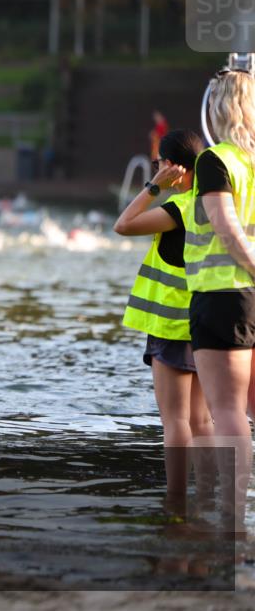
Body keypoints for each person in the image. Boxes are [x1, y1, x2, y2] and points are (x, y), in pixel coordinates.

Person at [114, 130, 214, 495]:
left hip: (172, 326)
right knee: (202, 420)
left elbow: (123, 224)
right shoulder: (214, 204)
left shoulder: (177, 209)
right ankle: (209, 498)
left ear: (173, 167)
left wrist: (154, 187)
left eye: (158, 164)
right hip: (206, 321)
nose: (155, 170)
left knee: (175, 421)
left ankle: (176, 504)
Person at [182, 67, 255, 528]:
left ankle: (232, 518)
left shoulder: (217, 161)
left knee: (227, 413)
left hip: (223, 295)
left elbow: (226, 229)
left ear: (218, 106)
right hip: (248, 297)